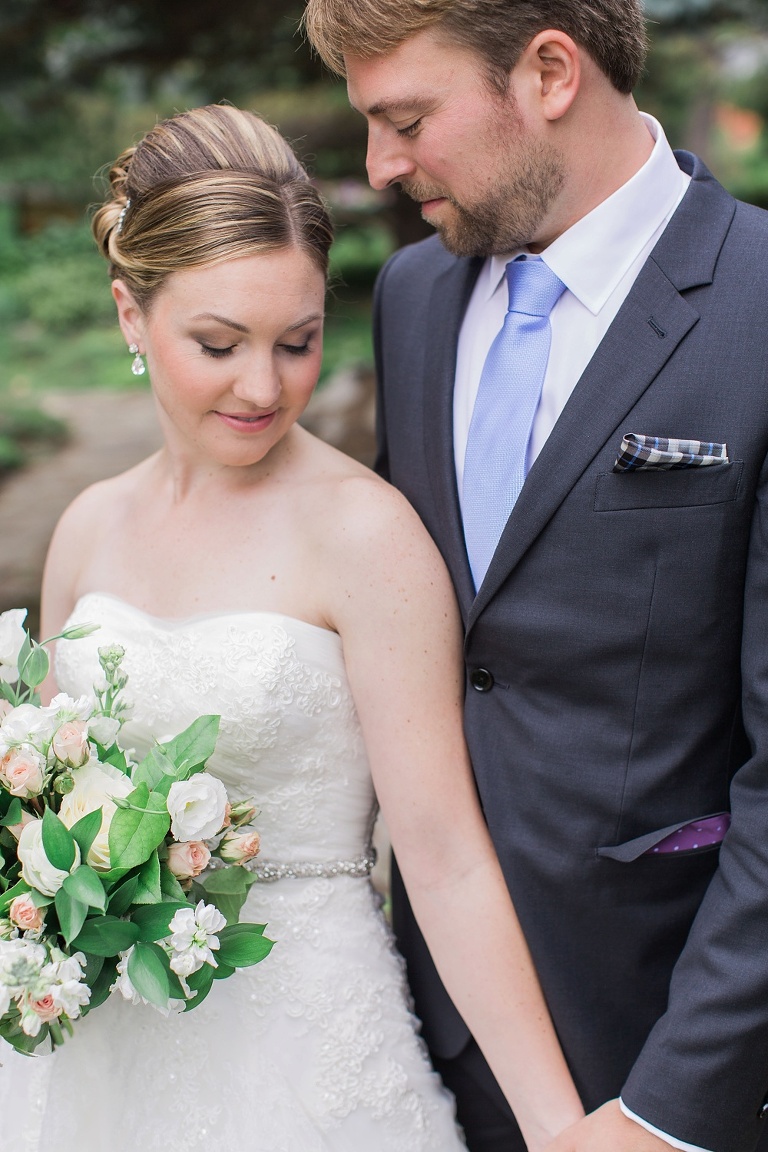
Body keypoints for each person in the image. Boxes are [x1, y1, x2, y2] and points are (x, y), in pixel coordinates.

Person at [0, 104, 584, 1151]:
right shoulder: (87, 531)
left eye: (299, 341)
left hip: (309, 1059)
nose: (263, 386)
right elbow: (41, 811)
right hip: (97, 1054)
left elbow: (444, 856)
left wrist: (562, 1131)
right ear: (131, 314)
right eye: (217, 343)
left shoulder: (367, 536)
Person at [301, 2, 768, 1151]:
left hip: (659, 1045)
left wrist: (671, 1110)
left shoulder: (760, 305)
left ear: (551, 72)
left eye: (408, 118)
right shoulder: (414, 299)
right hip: (412, 1039)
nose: (380, 165)